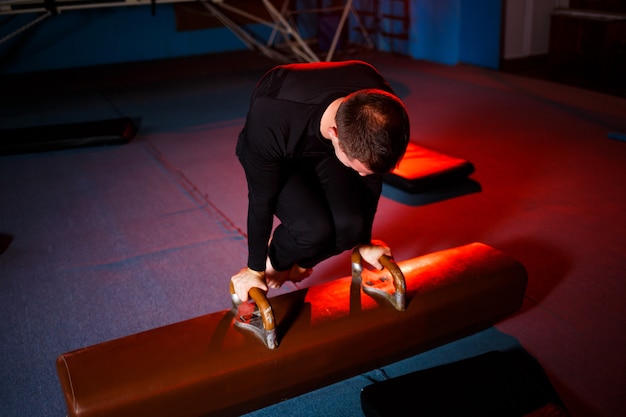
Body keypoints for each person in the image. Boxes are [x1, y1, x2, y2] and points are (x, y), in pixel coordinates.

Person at [231, 60, 410, 302]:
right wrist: (256, 269)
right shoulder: (272, 115)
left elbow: (371, 179)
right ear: (335, 134)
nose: (363, 177)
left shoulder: (383, 105)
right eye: (357, 169)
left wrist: (365, 241)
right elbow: (261, 201)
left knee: (352, 228)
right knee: (313, 229)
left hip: (324, 152)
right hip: (278, 154)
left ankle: (301, 263)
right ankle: (277, 258)